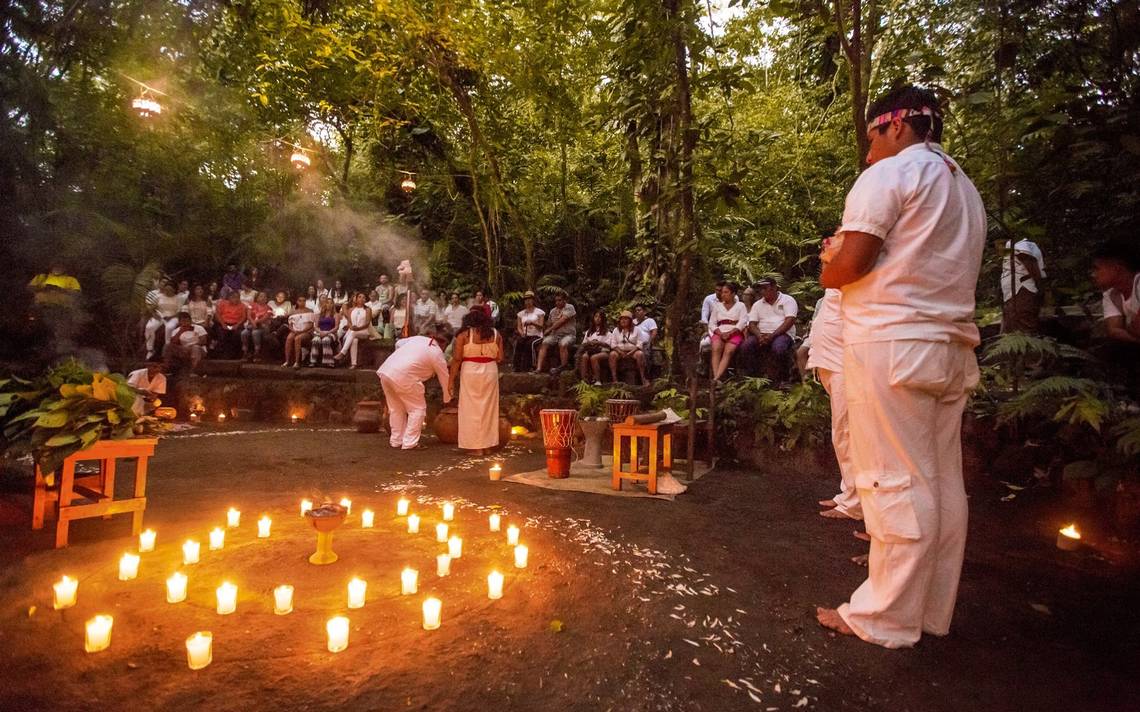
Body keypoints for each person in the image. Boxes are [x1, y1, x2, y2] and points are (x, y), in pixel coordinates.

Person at [815, 85, 986, 649]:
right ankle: (928, 610)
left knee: (892, 478)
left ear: (895, 126)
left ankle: (884, 616)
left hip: (892, 345)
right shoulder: (964, 187)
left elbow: (848, 267)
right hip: (948, 346)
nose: (868, 155)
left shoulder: (890, 175)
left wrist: (828, 260)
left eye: (871, 139)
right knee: (940, 481)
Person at [805, 282, 861, 523]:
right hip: (830, 363)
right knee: (842, 433)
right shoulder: (834, 286)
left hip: (845, 365)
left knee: (847, 433)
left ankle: (855, 503)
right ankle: (847, 493)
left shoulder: (854, 281)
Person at [376, 330, 453, 450]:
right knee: (417, 409)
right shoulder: (437, 353)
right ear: (445, 344)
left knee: (396, 409)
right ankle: (410, 443)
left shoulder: (417, 339)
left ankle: (396, 440)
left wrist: (402, 358)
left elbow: (398, 343)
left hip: (386, 371)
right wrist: (448, 398)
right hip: (405, 377)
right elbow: (445, 377)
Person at [450, 309, 504, 454]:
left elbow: (456, 359)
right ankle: (486, 445)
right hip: (490, 371)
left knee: (470, 408)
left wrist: (450, 381)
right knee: (489, 408)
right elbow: (500, 358)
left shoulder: (464, 335)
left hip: (470, 371)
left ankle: (476, 447)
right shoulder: (496, 334)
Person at [746, 278, 799, 381]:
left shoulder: (788, 300)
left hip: (782, 333)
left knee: (779, 348)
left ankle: (783, 379)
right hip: (761, 334)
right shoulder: (758, 304)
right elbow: (752, 324)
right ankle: (754, 378)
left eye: (766, 288)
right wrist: (760, 336)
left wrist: (772, 336)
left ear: (774, 287)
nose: (763, 291)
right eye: (761, 289)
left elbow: (790, 320)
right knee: (746, 346)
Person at [1000, 238, 1046, 333]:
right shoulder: (1016, 244)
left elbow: (1028, 263)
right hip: (1018, 288)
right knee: (1019, 322)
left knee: (1021, 322)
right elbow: (1026, 265)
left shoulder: (1021, 244)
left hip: (1020, 288)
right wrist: (1040, 287)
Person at [708, 282, 749, 382]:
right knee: (716, 348)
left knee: (729, 351)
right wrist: (721, 333)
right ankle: (716, 377)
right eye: (722, 292)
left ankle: (717, 378)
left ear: (733, 293)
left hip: (735, 332)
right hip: (720, 331)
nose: (723, 295)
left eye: (726, 292)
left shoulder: (740, 305)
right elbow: (712, 323)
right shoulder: (717, 306)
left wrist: (731, 333)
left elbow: (743, 321)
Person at [536, 292, 577, 373]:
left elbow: (562, 320)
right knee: (544, 342)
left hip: (568, 335)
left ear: (565, 300)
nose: (557, 302)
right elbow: (549, 324)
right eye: (556, 301)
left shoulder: (569, 307)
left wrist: (550, 329)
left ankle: (563, 367)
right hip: (555, 335)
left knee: (563, 344)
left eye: (560, 300)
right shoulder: (553, 311)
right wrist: (541, 326)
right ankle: (538, 368)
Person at [335, 293, 375, 368]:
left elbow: (367, 323)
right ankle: (354, 364)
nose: (361, 299)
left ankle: (343, 353)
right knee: (354, 340)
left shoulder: (367, 309)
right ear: (356, 299)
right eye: (359, 297)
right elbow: (349, 322)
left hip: (364, 332)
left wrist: (358, 329)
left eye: (363, 297)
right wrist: (352, 327)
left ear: (365, 300)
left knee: (353, 333)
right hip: (354, 331)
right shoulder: (351, 309)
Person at [608, 310, 649, 385]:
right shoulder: (616, 330)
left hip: (633, 351)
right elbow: (613, 344)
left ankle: (643, 378)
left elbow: (639, 344)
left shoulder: (637, 330)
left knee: (640, 354)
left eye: (626, 319)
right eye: (621, 319)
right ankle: (614, 379)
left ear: (630, 321)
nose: (623, 321)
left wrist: (631, 352)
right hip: (619, 351)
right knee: (612, 355)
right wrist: (620, 352)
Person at [144, 282, 182, 359]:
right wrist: (154, 314)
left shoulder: (178, 298)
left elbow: (180, 311)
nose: (168, 291)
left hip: (173, 316)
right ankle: (150, 350)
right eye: (166, 289)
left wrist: (171, 317)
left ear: (174, 290)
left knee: (169, 328)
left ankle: (167, 350)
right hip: (159, 315)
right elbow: (151, 307)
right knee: (149, 327)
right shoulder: (159, 296)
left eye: (170, 290)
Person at [513, 291, 545, 371]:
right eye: (526, 300)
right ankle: (517, 366)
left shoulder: (539, 312)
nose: (528, 301)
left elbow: (541, 326)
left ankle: (532, 365)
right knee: (519, 343)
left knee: (530, 344)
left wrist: (533, 323)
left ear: (533, 300)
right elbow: (519, 327)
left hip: (536, 335)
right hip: (526, 334)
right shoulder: (521, 314)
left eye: (529, 299)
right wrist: (521, 333)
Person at [578, 310, 611, 384]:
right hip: (591, 350)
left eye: (600, 317)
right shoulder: (589, 332)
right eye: (596, 316)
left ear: (603, 319)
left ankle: (598, 380)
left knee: (594, 358)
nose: (598, 318)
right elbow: (583, 344)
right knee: (584, 357)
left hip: (603, 351)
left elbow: (609, 345)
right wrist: (589, 343)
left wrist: (599, 343)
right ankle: (583, 380)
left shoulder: (607, 332)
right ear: (593, 318)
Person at [282, 296, 315, 368]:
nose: (302, 302)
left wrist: (302, 331)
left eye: (304, 301)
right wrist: (293, 330)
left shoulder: (310, 311)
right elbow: (290, 325)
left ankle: (297, 362)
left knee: (298, 339)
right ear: (297, 302)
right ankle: (287, 361)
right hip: (295, 330)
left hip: (306, 331)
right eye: (300, 301)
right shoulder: (293, 312)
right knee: (289, 338)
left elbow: (311, 325)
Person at [213, 290, 248, 358]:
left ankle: (233, 355)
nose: (236, 299)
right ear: (229, 297)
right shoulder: (223, 304)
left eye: (238, 297)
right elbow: (218, 315)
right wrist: (223, 324)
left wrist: (237, 325)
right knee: (221, 333)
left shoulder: (242, 305)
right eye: (234, 297)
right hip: (223, 323)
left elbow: (243, 317)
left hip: (237, 324)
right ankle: (221, 354)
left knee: (237, 334)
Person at [698, 280, 727, 355]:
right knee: (705, 343)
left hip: (728, 329)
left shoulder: (732, 298)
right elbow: (704, 318)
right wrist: (706, 331)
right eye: (716, 290)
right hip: (712, 329)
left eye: (720, 290)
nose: (718, 292)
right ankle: (703, 363)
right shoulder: (709, 299)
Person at [242, 291, 272, 361]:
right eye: (261, 296)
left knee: (255, 333)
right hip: (252, 325)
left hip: (263, 326)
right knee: (244, 333)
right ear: (257, 298)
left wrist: (256, 322)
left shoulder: (269, 308)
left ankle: (257, 353)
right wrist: (253, 323)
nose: (263, 298)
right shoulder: (251, 305)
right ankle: (245, 352)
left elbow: (265, 317)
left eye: (264, 296)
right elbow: (249, 316)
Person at [309, 300, 340, 367]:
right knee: (315, 340)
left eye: (331, 303)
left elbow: (336, 327)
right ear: (325, 304)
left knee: (325, 340)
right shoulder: (319, 315)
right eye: (327, 303)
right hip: (320, 332)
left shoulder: (336, 315)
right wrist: (320, 332)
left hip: (331, 333)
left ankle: (329, 361)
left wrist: (327, 333)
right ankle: (313, 361)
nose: (329, 304)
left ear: (333, 305)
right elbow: (316, 327)